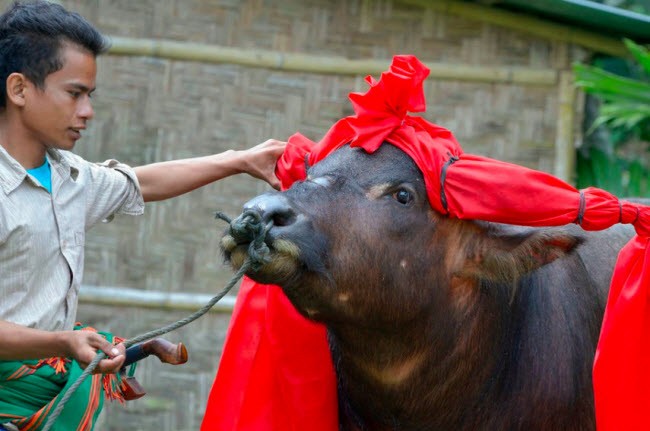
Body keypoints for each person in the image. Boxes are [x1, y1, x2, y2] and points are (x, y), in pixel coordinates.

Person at [203, 55, 650, 431]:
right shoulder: (322, 365)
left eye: (400, 198)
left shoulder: (543, 350)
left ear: (467, 256)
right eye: (318, 181)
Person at [0, 1, 285, 430]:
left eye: (89, 96)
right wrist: (61, 341)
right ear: (19, 89)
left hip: (51, 398)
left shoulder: (71, 178)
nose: (87, 111)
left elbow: (142, 183)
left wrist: (240, 160)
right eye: (74, 93)